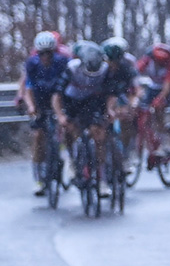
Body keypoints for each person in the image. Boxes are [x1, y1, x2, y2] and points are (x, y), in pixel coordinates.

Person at [52, 41, 118, 197]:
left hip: (94, 102)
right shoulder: (71, 68)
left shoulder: (105, 70)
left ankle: (101, 178)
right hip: (73, 101)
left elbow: (112, 93)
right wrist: (60, 115)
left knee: (99, 135)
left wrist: (109, 109)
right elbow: (57, 95)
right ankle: (72, 160)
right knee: (70, 128)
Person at [21, 31, 70, 195]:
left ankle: (70, 162)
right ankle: (39, 177)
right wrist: (30, 106)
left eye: (49, 53)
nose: (46, 57)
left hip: (58, 99)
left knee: (68, 129)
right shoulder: (32, 64)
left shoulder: (63, 62)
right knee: (38, 136)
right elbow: (28, 89)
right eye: (42, 54)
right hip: (40, 101)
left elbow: (68, 87)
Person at [136, 43, 170, 165]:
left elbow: (167, 86)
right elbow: (135, 73)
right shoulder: (147, 60)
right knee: (141, 111)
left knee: (159, 110)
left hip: (169, 89)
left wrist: (160, 99)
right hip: (153, 87)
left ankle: (165, 142)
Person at [101, 36, 142, 162]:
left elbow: (136, 89)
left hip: (123, 95)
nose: (113, 65)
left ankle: (126, 153)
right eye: (110, 62)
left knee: (126, 118)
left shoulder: (127, 68)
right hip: (107, 96)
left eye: (116, 62)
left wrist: (133, 104)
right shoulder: (102, 69)